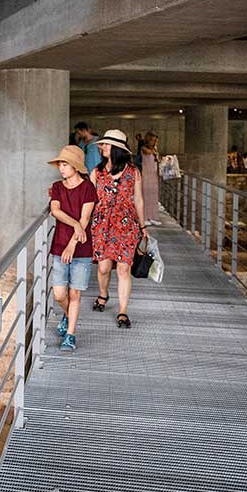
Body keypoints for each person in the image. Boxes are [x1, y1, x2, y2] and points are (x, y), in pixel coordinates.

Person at [89, 129, 147, 329]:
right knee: (104, 267)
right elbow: (87, 197)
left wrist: (143, 225)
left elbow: (138, 200)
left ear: (116, 149)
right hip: (102, 225)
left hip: (126, 225)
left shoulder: (133, 172)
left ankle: (123, 310)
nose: (101, 147)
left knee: (124, 268)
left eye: (105, 144)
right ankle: (103, 294)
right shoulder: (96, 172)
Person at [48, 145, 98, 352]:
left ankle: (70, 334)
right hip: (60, 245)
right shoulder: (57, 187)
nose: (61, 168)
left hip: (81, 248)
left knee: (75, 293)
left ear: (76, 167)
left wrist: (73, 241)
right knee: (59, 294)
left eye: (65, 164)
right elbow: (55, 211)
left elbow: (85, 218)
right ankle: (68, 315)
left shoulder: (88, 188)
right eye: (60, 164)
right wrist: (75, 225)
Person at [140, 131, 162, 226]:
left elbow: (158, 159)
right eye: (153, 140)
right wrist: (155, 149)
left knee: (153, 196)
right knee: (146, 196)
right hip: (146, 175)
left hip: (153, 175)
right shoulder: (144, 148)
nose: (155, 142)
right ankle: (145, 217)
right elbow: (150, 153)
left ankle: (153, 216)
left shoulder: (154, 149)